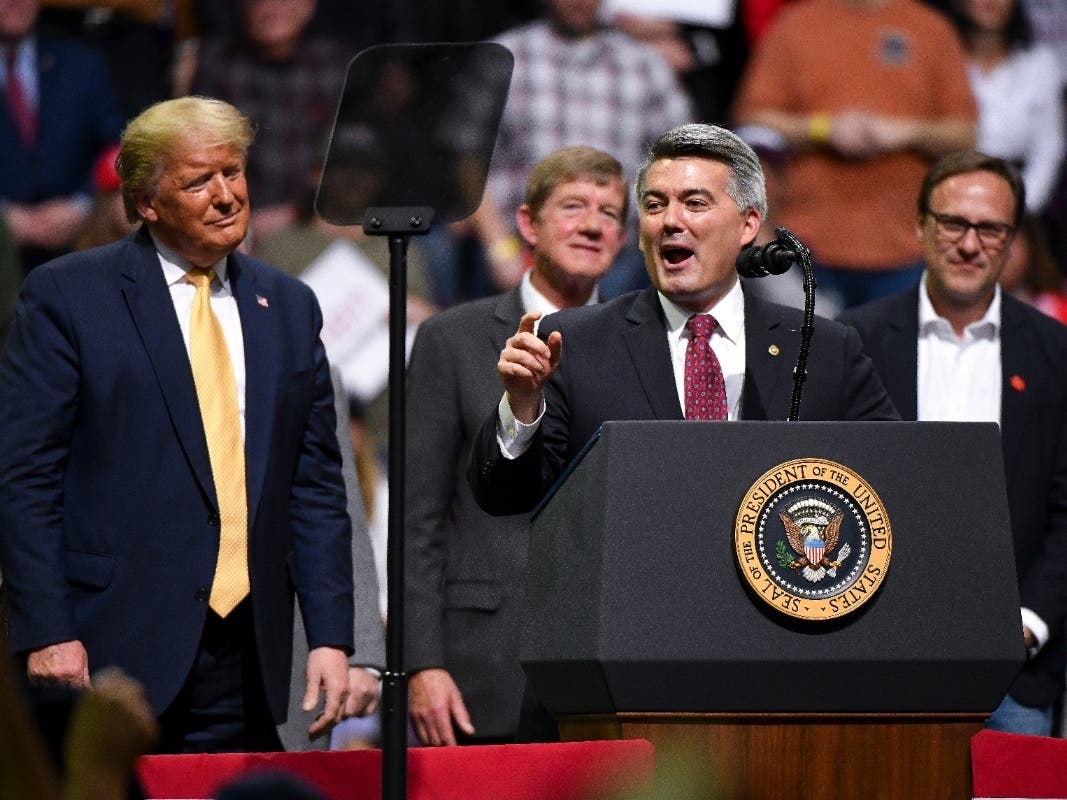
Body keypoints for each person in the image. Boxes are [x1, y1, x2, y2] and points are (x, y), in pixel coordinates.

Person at [0, 96, 355, 752]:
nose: (225, 196)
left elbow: (314, 487)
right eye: (198, 181)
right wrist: (46, 631)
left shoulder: (288, 306)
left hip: (253, 655)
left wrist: (332, 638)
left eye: (233, 173)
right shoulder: (68, 298)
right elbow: (24, 480)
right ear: (146, 203)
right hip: (109, 649)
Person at [467, 122, 899, 535]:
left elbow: (895, 479)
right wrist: (521, 409)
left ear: (748, 225)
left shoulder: (824, 348)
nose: (671, 221)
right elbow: (503, 497)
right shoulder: (572, 343)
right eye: (655, 205)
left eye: (695, 203)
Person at [404, 146, 629, 747]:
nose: (591, 224)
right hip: (483, 658)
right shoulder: (451, 339)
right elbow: (417, 516)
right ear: (527, 224)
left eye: (609, 212)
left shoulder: (642, 344)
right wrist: (422, 663)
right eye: (574, 206)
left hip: (610, 659)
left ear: (625, 237)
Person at [838, 151, 1067, 736]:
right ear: (920, 226)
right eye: (953, 224)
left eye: (990, 229)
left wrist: (1030, 623)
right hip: (877, 656)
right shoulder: (853, 343)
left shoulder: (1055, 353)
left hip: (1016, 671)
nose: (970, 244)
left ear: (1013, 240)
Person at [429, 0, 693, 307]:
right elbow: (468, 157)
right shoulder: (506, 55)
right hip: (519, 255)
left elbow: (681, 160)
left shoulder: (645, 65)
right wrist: (499, 247)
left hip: (619, 262)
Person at [730, 0, 978, 309]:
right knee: (810, 357)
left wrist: (906, 132)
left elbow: (965, 135)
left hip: (907, 248)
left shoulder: (930, 27)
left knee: (893, 358)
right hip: (807, 243)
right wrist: (823, 130)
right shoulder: (796, 24)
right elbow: (752, 119)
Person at [188, 0, 352, 243]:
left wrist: (298, 212)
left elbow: (352, 152)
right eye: (259, 1)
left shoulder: (336, 64)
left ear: (308, 6)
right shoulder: (218, 63)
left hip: (319, 216)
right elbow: (199, 151)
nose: (271, 8)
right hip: (235, 217)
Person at [0, 0, 123, 273]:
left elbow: (115, 146)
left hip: (79, 236)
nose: (15, 2)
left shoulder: (82, 64)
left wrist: (82, 204)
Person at [948, 0, 1065, 214]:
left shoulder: (1040, 63)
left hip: (1021, 197)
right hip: (951, 194)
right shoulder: (941, 60)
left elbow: (1049, 146)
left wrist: (1022, 206)